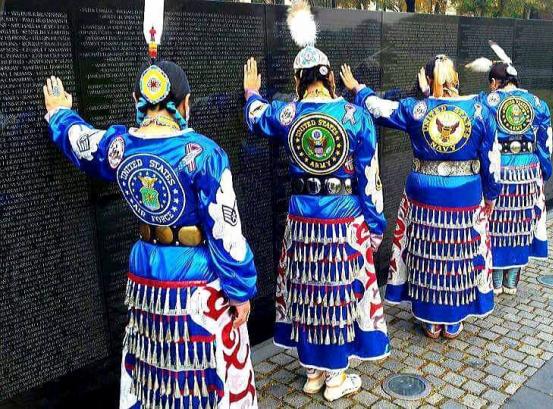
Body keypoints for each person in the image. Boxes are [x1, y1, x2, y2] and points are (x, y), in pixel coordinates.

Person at [43, 58, 258, 409]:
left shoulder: (121, 146)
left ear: (137, 100)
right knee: (198, 365)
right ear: (186, 103)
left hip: (145, 273)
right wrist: (240, 290)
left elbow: (82, 142)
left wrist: (59, 114)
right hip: (195, 276)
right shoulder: (204, 153)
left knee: (154, 361)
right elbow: (226, 228)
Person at [242, 1, 389, 402]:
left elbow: (256, 115)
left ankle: (311, 373)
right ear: (328, 80)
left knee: (307, 288)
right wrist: (374, 226)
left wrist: (251, 91)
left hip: (303, 218)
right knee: (338, 290)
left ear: (298, 79)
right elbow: (369, 178)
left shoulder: (288, 114)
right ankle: (336, 378)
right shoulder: (354, 117)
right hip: (344, 219)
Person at [340, 54, 501, 340]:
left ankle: (430, 319)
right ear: (455, 78)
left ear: (427, 80)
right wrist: (490, 194)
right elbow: (491, 158)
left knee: (428, 251)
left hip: (424, 191)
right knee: (458, 252)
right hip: (465, 191)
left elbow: (379, 107)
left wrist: (357, 88)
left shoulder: (416, 110)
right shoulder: (478, 110)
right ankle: (452, 322)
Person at [467, 41, 552, 296]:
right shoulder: (537, 103)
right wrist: (543, 172)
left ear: (494, 82)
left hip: (499, 169)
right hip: (527, 170)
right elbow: (545, 141)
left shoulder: (487, 101)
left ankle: (493, 280)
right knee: (519, 223)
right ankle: (511, 281)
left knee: (496, 223)